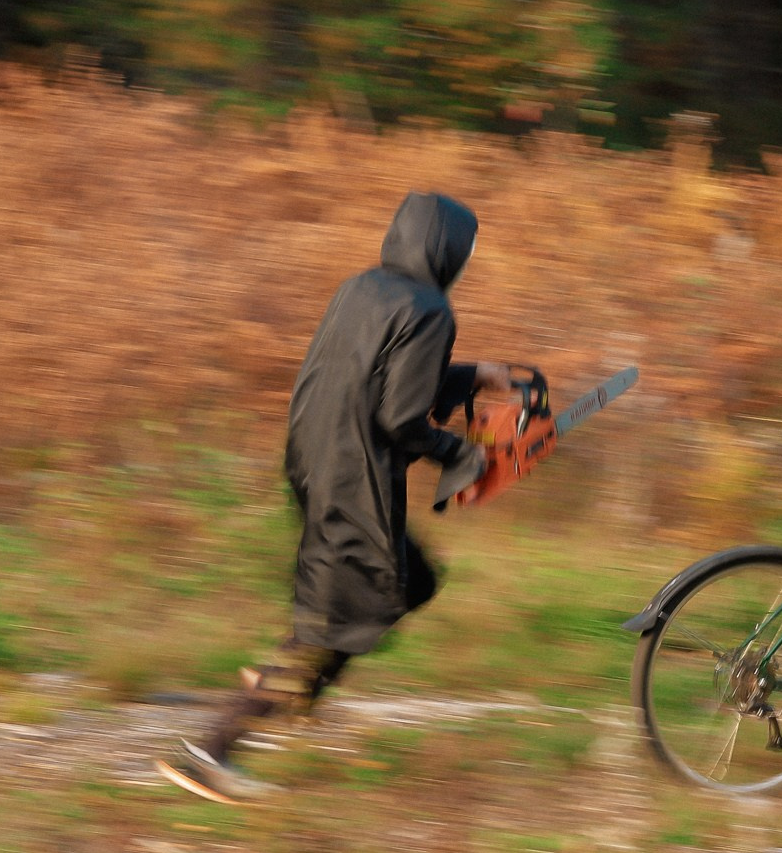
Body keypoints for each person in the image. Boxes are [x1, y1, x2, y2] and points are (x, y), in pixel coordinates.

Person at [159, 190, 519, 804]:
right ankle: (211, 751)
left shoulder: (363, 288)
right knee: (341, 615)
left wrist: (472, 374)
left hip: (313, 457)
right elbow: (400, 417)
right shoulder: (431, 309)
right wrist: (464, 456)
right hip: (355, 476)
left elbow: (372, 374)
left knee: (411, 581)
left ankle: (295, 689)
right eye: (467, 250)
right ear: (448, 250)